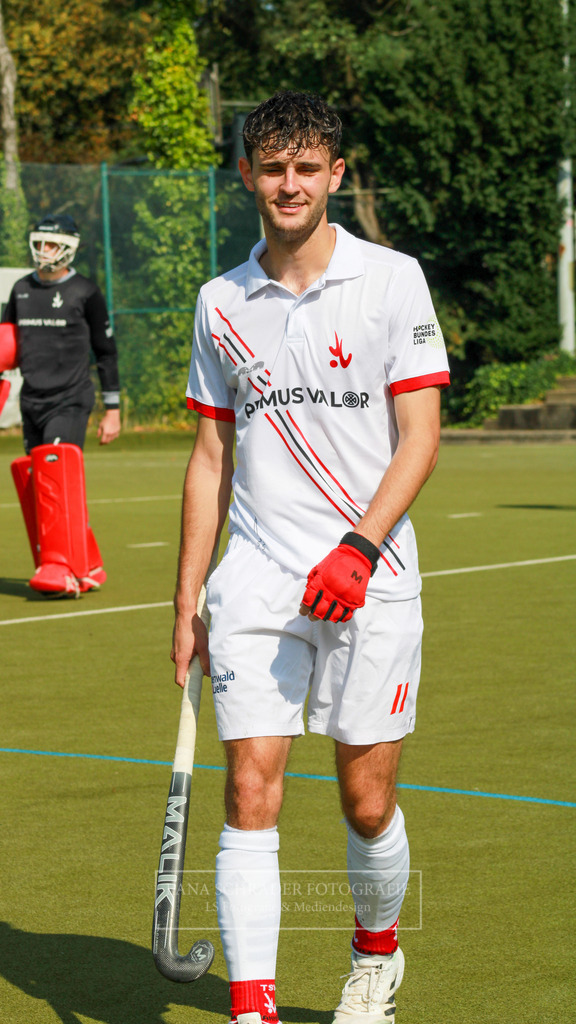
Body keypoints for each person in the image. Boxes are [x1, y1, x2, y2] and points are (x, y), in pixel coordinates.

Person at [171, 91, 450, 1024]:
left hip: (370, 576)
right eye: (271, 167)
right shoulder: (220, 302)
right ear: (247, 175)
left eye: (305, 168)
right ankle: (252, 1007)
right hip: (255, 579)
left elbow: (420, 436)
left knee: (366, 802)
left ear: (334, 174)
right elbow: (210, 458)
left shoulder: (393, 280)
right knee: (250, 790)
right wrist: (187, 601)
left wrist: (359, 549)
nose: (288, 184)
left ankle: (376, 956)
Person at [1, 213, 121, 596]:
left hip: (69, 400)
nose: (44, 250)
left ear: (68, 248)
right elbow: (6, 349)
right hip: (32, 401)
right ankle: (87, 563)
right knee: (41, 484)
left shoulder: (85, 291)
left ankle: (61, 570)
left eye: (51, 244)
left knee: (54, 479)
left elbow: (106, 352)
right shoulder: (21, 289)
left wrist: (113, 410)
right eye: (39, 243)